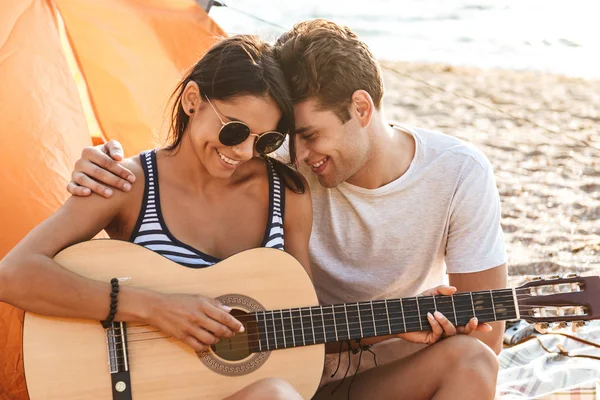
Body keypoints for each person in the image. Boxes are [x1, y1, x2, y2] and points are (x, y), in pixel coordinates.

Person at [66, 20, 507, 400]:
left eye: (310, 135)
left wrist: (400, 324)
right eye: (285, 138)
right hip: (279, 379)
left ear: (361, 108)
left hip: (371, 376)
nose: (296, 155)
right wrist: (105, 168)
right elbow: (192, 162)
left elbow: (489, 331)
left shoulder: (458, 173)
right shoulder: (269, 170)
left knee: (475, 360)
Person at [0, 35, 313, 400]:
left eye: (264, 141)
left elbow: (304, 321)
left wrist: (386, 329)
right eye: (235, 130)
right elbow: (13, 275)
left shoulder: (288, 195)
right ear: (192, 100)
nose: (244, 152)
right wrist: (153, 307)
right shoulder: (126, 182)